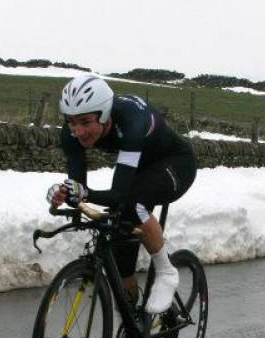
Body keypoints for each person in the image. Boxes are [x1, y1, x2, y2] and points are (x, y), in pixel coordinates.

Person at [47, 74, 196, 314]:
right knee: (119, 247)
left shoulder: (131, 121)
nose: (79, 132)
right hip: (139, 167)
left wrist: (84, 192)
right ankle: (128, 324)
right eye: (71, 122)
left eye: (85, 122)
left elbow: (118, 194)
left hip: (175, 164)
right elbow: (79, 189)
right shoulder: (72, 134)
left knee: (134, 204)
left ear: (105, 114)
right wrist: (65, 193)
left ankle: (167, 272)